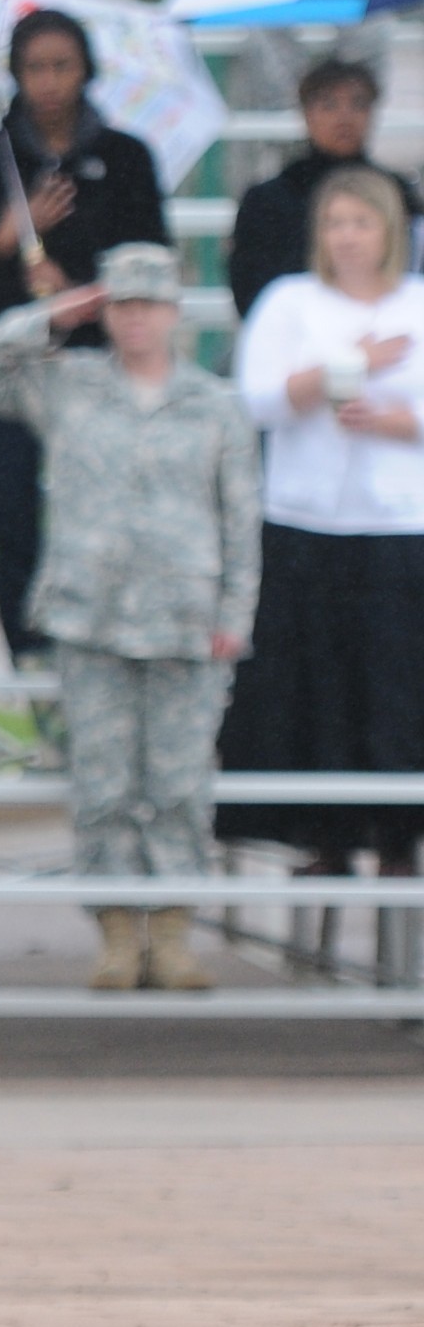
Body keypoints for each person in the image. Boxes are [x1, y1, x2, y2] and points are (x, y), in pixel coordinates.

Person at [0, 246, 259, 991]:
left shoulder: (215, 403)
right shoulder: (70, 386)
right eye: (123, 304)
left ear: (175, 313)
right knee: (102, 784)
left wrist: (236, 611)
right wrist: (51, 316)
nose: (137, 319)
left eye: (150, 305)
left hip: (186, 618)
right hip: (91, 615)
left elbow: (241, 519)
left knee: (180, 785)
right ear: (105, 308)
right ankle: (119, 934)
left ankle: (175, 933)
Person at [0, 6, 172, 663]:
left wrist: (81, 290)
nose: (51, 81)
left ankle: (105, 649)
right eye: (36, 67)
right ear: (16, 75)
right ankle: (29, 660)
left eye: (63, 65)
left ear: (87, 69)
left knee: (106, 518)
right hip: (10, 375)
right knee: (17, 525)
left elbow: (154, 264)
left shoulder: (126, 158)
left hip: (101, 367)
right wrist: (5, 239)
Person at [219, 165, 424, 884]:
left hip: (399, 524)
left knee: (397, 685)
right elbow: (257, 400)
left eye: (361, 222)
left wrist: (402, 424)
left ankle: (400, 836)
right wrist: (348, 367)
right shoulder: (290, 302)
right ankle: (326, 835)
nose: (347, 236)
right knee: (319, 684)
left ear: (388, 229)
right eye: (335, 223)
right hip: (307, 521)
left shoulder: (419, 304)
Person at [229, 60, 422, 319]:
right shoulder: (268, 200)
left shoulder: (397, 193)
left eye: (358, 104)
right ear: (306, 113)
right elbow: (251, 289)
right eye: (329, 105)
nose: (344, 117)